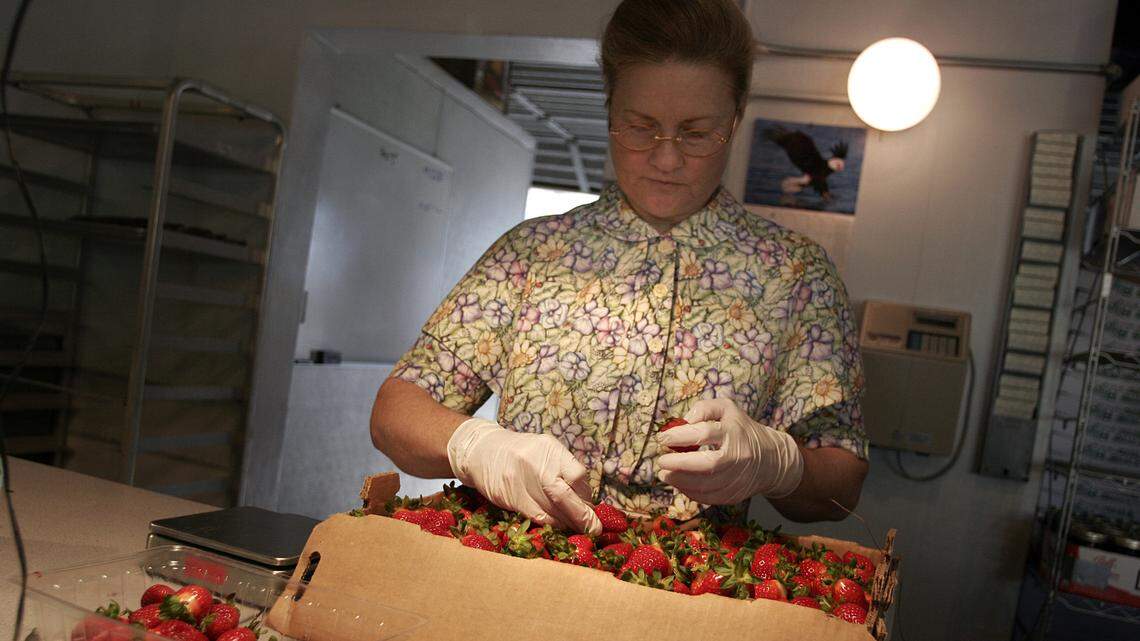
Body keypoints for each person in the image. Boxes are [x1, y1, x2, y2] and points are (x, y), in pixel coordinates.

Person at [370, 0, 868, 536]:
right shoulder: (532, 254)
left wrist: (779, 463)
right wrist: (475, 445)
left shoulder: (796, 276)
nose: (667, 158)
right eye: (640, 126)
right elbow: (396, 411)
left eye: (697, 133)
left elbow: (840, 489)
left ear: (736, 117)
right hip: (511, 571)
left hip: (687, 592)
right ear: (609, 109)